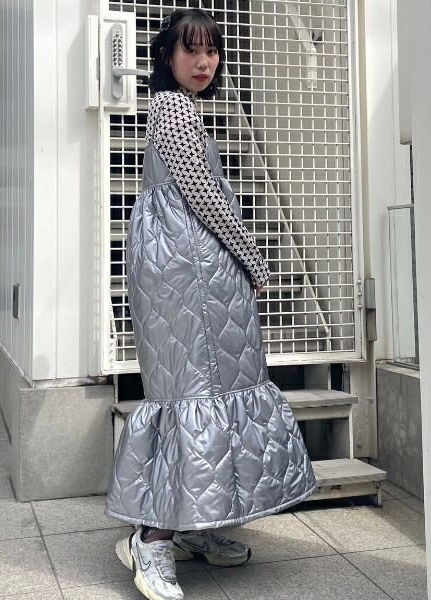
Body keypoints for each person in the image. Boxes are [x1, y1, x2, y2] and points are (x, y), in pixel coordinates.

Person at [106, 8, 317, 600]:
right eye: (190, 50)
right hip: (189, 272)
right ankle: (152, 540)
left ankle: (193, 524)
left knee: (205, 389)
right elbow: (203, 195)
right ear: (166, 55)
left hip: (193, 268)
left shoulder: (179, 107)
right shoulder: (175, 109)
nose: (203, 62)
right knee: (196, 392)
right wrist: (253, 257)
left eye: (212, 51)